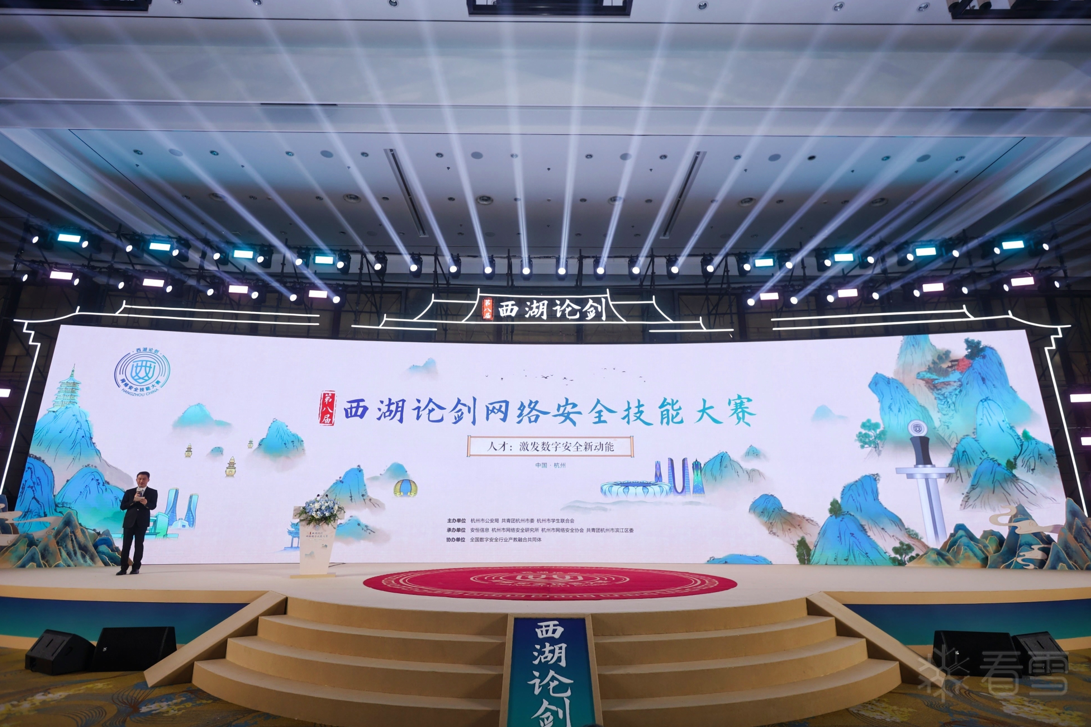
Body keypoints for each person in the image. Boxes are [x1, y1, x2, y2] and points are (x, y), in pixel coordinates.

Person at [117, 471, 157, 575]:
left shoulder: (153, 492)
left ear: (148, 480)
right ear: (136, 479)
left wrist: (146, 503)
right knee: (126, 545)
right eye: (139, 479)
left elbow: (153, 506)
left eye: (144, 479)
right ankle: (123, 568)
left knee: (139, 545)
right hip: (129, 522)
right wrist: (133, 500)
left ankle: (136, 568)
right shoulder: (129, 492)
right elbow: (123, 506)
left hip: (142, 522)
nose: (141, 481)